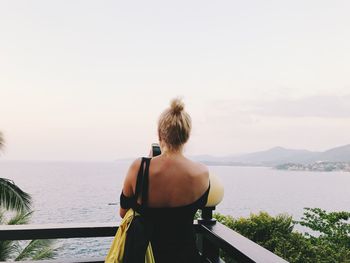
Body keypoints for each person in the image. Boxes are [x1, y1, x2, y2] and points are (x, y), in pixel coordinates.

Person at [119, 98, 210, 263]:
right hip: (188, 257)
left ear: (160, 134)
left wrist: (149, 161)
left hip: (148, 256)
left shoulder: (140, 168)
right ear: (186, 136)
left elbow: (123, 212)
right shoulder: (202, 173)